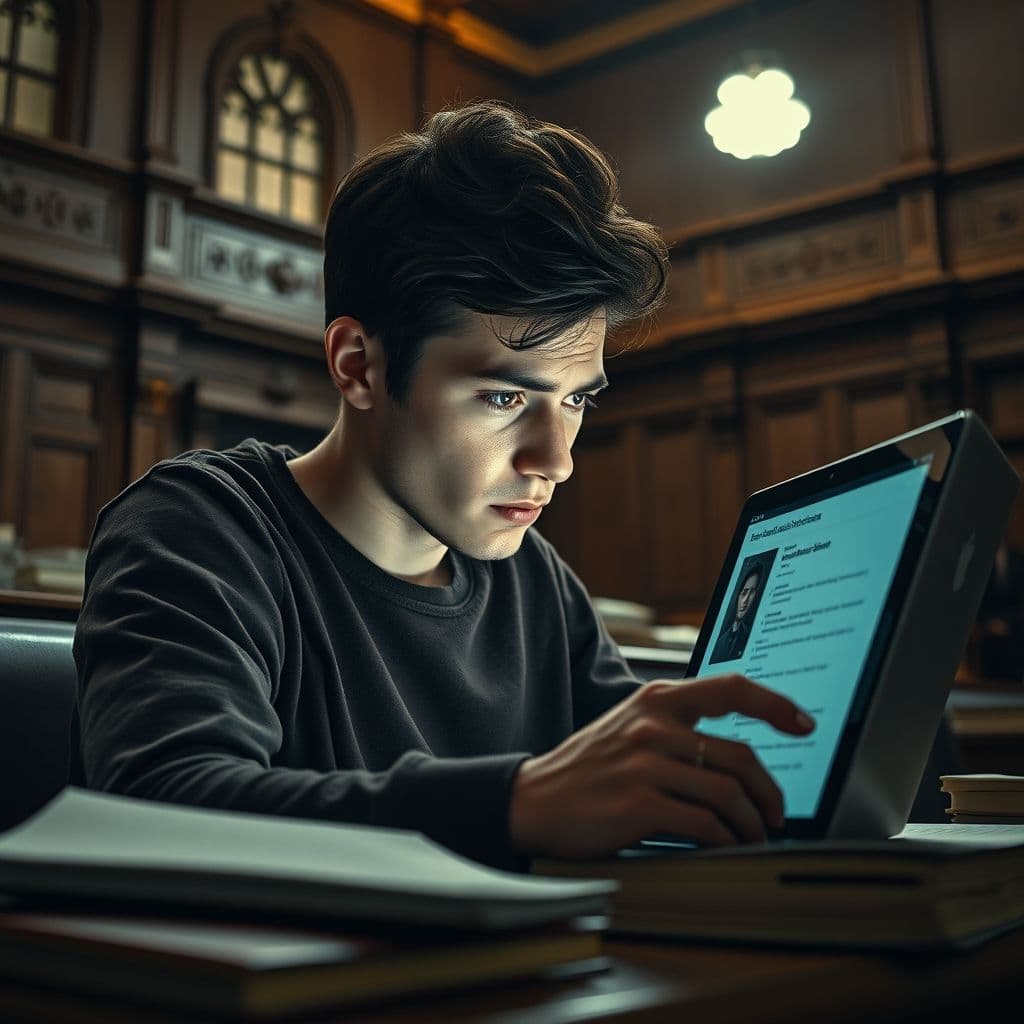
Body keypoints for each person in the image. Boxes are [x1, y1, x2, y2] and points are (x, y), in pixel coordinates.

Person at [71, 101, 815, 870]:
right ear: (358, 363)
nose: (554, 459)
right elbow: (162, 805)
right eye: (504, 398)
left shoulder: (532, 580)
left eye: (577, 400)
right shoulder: (196, 528)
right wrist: (517, 803)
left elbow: (653, 788)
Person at [710, 564, 764, 664]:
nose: (745, 600)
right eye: (744, 592)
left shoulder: (753, 638)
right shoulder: (720, 642)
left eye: (752, 593)